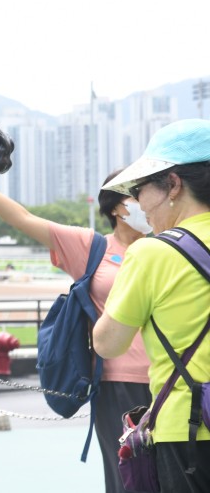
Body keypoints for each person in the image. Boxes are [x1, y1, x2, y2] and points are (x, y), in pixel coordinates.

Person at [0, 163, 151, 493]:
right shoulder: (91, 247)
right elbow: (23, 219)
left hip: (173, 378)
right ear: (116, 206)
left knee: (174, 472)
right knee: (126, 475)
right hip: (118, 384)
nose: (146, 200)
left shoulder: (167, 245)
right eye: (136, 194)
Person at [94, 119, 210, 492]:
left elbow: (108, 343)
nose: (139, 205)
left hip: (188, 431)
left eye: (140, 189)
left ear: (173, 184)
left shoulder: (152, 252)